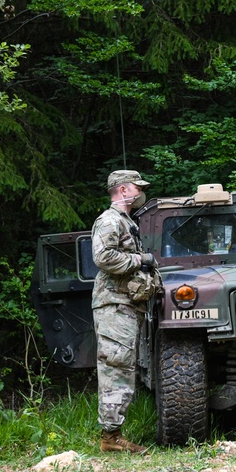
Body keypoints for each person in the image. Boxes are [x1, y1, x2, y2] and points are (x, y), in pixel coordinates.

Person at [91, 169, 160, 452]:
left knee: (123, 366)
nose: (140, 190)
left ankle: (114, 434)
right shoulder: (109, 220)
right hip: (114, 305)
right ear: (122, 190)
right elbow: (103, 256)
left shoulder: (124, 220)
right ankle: (111, 437)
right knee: (116, 367)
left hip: (125, 305)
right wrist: (139, 259)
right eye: (136, 186)